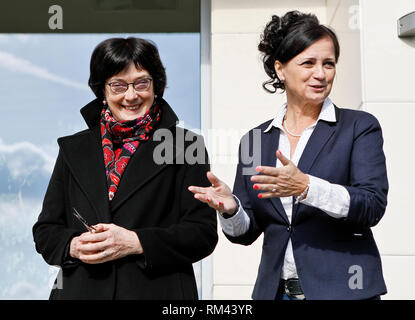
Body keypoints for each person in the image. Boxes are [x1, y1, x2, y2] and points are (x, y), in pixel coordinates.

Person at [189, 11, 388, 300]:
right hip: (275, 293)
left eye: (328, 64)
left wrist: (307, 187)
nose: (320, 73)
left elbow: (372, 205)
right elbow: (246, 232)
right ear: (280, 69)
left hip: (345, 291)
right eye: (308, 63)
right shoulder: (255, 140)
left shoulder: (359, 127)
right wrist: (231, 209)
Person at [32, 37, 218, 299]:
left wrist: (136, 243)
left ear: (156, 86)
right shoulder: (73, 149)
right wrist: (73, 245)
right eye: (118, 85)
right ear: (103, 91)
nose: (131, 95)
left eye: (142, 82)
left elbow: (202, 233)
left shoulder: (185, 146)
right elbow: (46, 231)